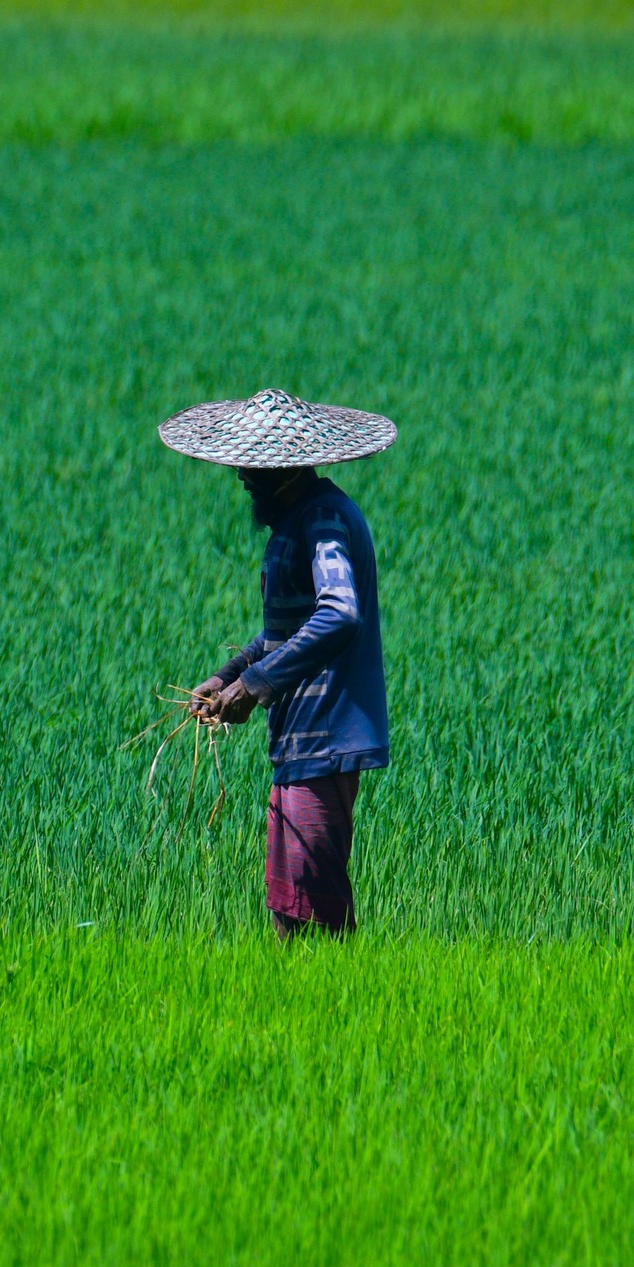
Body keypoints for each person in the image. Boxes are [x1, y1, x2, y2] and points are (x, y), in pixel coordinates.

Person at [158, 387, 395, 937]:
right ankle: (298, 1002)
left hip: (326, 736)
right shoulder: (297, 522)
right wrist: (227, 677)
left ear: (279, 470)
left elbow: (339, 614)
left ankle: (336, 1004)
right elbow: (280, 635)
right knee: (291, 907)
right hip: (300, 739)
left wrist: (254, 687)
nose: (241, 478)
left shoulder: (324, 521)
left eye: (248, 468)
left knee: (319, 912)